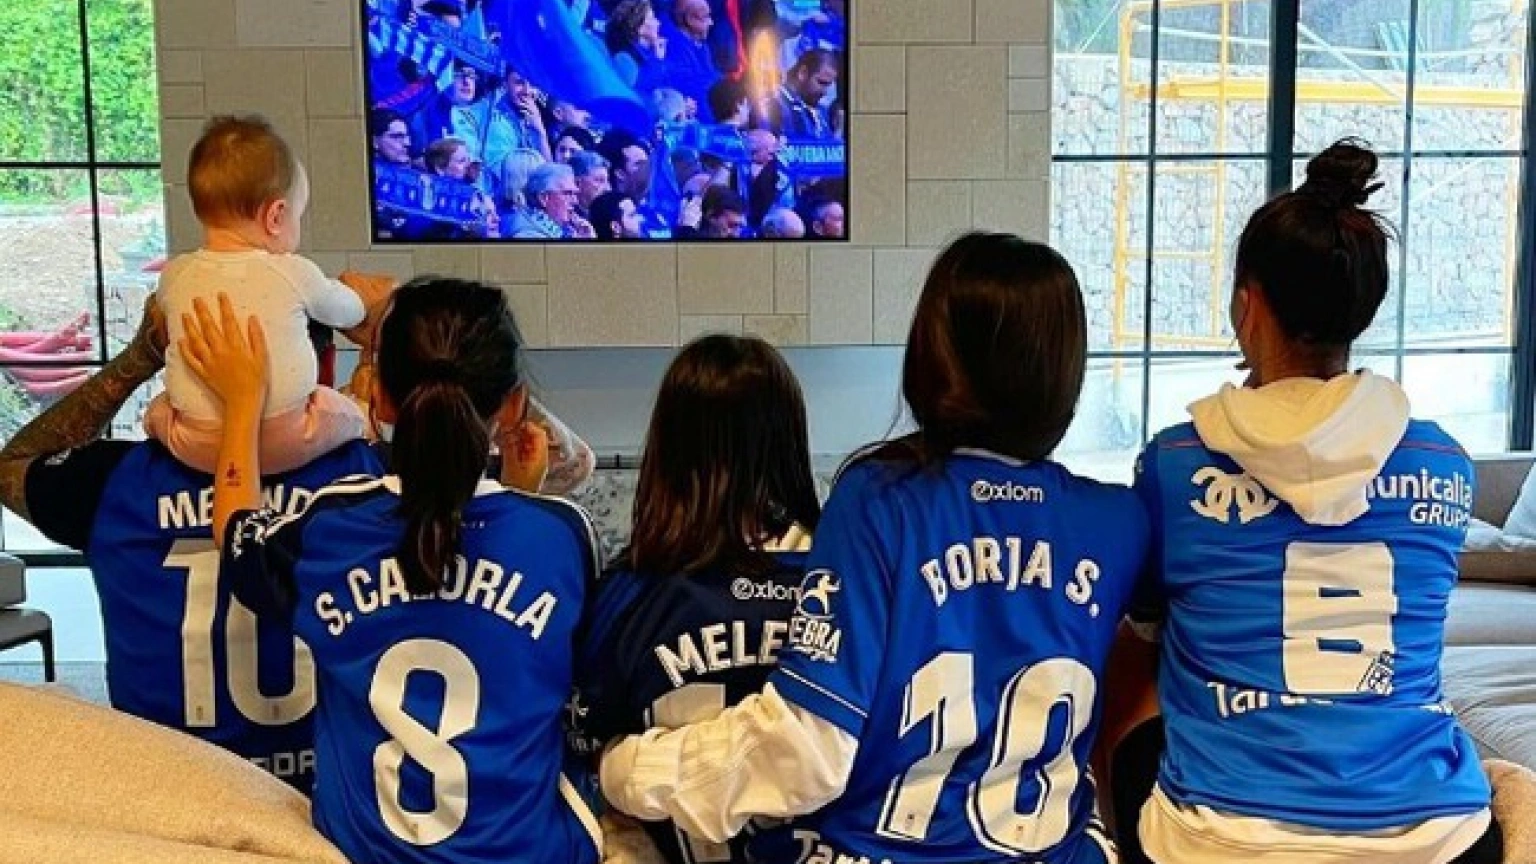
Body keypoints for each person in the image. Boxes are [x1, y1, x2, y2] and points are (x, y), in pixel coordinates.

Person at [599, 232, 1150, 864]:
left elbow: (808, 752)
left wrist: (630, 770)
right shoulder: (1121, 521)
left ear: (931, 358)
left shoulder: (880, 500)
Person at [1118, 139, 1503, 864]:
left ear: (1246, 304)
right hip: (1434, 837)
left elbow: (1143, 631)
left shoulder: (1175, 462)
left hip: (1222, 842)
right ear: (1362, 311)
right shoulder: (1444, 464)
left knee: (1136, 708)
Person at [192, 279, 602, 864]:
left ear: (379, 399)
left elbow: (236, 531)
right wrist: (522, 496)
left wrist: (242, 403)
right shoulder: (561, 534)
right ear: (512, 406)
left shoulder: (331, 526)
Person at [572, 334, 822, 864]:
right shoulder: (838, 585)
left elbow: (587, 754)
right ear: (788, 443)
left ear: (669, 452)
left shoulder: (629, 594)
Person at [144, 115, 373, 477]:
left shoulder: (175, 273)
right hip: (285, 439)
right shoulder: (292, 271)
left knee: (159, 408)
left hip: (197, 445)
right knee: (337, 407)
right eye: (299, 214)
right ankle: (365, 416)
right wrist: (357, 294)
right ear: (276, 216)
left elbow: (162, 308)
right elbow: (350, 312)